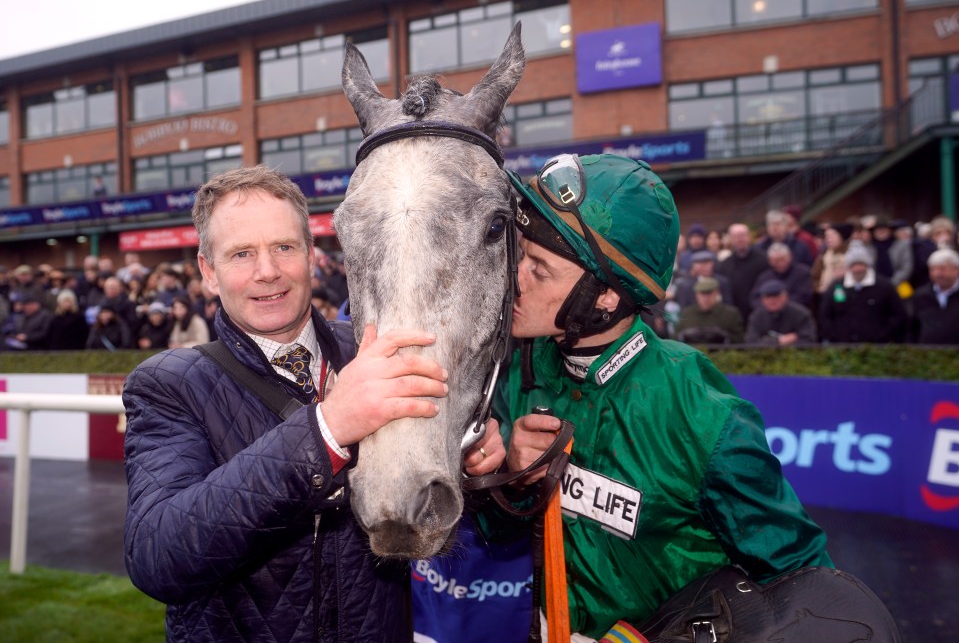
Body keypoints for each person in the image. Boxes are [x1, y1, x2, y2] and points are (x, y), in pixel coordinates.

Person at [122, 165, 504, 642]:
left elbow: (442, 510)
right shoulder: (168, 383)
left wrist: (473, 460)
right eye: (242, 254)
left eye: (284, 247)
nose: (268, 271)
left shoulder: (375, 351)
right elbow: (159, 556)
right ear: (208, 272)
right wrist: (328, 427)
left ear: (311, 254)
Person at [492, 153, 831, 639]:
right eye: (521, 255)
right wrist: (508, 474)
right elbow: (491, 539)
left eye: (539, 270)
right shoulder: (518, 370)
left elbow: (805, 583)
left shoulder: (700, 412)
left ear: (605, 296)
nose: (516, 278)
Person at [818, 244, 907, 344]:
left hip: (877, 346)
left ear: (867, 265)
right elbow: (825, 315)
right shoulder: (837, 286)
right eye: (853, 265)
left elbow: (898, 314)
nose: (857, 269)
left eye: (861, 264)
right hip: (843, 345)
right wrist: (834, 336)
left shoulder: (884, 286)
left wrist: (883, 335)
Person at [715, 223, 767, 321]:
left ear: (749, 237)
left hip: (759, 312)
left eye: (742, 235)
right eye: (735, 236)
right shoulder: (724, 265)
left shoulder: (763, 260)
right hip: (735, 314)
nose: (740, 239)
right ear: (730, 239)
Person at [744, 280, 817, 346]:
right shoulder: (757, 316)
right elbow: (751, 343)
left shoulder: (801, 314)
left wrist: (766, 341)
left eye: (776, 296)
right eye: (768, 297)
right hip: (765, 357)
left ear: (786, 297)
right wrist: (778, 341)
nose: (772, 301)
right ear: (762, 300)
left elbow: (809, 341)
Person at [909, 248, 959, 344]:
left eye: (942, 269)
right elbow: (913, 327)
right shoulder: (921, 295)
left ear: (956, 269)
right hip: (926, 354)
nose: (937, 274)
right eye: (933, 269)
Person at [675, 276, 744, 344]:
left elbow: (740, 341)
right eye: (702, 294)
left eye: (709, 294)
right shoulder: (687, 313)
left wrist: (724, 337)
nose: (705, 299)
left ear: (717, 293)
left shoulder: (731, 314)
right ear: (696, 295)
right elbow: (675, 338)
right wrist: (683, 335)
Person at [750, 242, 814, 309]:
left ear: (790, 256)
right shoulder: (764, 277)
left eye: (782, 259)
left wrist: (780, 305)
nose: (780, 264)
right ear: (769, 261)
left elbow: (804, 296)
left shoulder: (803, 273)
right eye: (776, 261)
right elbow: (755, 299)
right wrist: (769, 306)